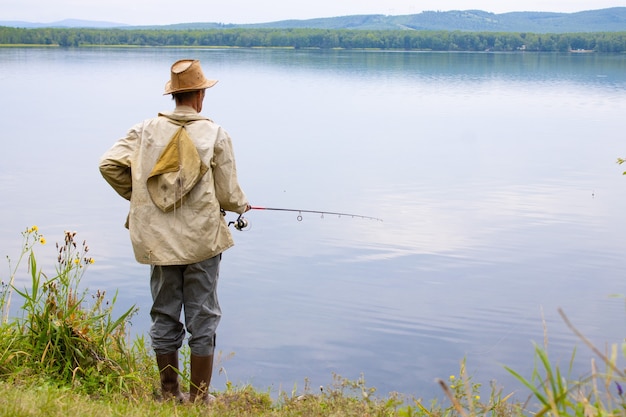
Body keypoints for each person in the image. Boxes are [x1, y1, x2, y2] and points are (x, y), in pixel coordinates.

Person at [99, 59, 250, 404]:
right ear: (200, 95)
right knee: (204, 314)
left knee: (164, 311)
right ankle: (199, 399)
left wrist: (140, 195)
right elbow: (228, 194)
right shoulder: (215, 133)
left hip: (158, 241)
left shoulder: (143, 130)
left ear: (175, 95)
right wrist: (242, 206)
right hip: (202, 241)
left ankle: (169, 394)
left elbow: (108, 164)